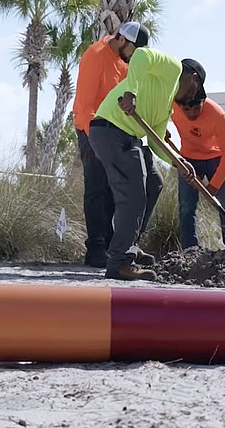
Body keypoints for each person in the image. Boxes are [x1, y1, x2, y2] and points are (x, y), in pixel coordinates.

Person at [88, 49, 201, 281]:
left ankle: (129, 245)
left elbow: (157, 144)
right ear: (194, 79)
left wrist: (178, 161)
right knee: (134, 195)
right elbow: (141, 55)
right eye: (195, 90)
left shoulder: (165, 108)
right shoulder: (173, 68)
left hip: (129, 138)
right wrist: (131, 92)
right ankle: (119, 262)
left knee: (153, 183)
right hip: (111, 129)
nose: (192, 97)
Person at [72, 21, 154, 268]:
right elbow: (85, 105)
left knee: (129, 186)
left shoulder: (126, 61)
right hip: (92, 129)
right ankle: (96, 248)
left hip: (117, 131)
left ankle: (118, 245)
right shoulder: (96, 55)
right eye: (133, 51)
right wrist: (96, 141)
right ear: (121, 40)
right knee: (97, 187)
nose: (134, 57)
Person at [170, 59, 225, 250]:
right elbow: (158, 124)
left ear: (203, 101)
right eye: (186, 109)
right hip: (188, 160)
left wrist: (214, 185)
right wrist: (164, 135)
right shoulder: (172, 105)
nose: (191, 113)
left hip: (216, 159)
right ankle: (190, 250)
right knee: (186, 207)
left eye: (196, 108)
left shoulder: (216, 114)